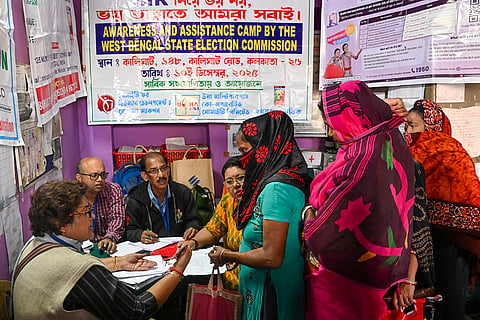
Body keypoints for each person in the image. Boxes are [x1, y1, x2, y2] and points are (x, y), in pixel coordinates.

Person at [304, 81, 415, 320]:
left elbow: (328, 228)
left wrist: (309, 218)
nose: (331, 133)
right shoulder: (390, 143)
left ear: (350, 118)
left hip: (344, 280)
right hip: (380, 271)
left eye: (333, 126)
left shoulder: (363, 159)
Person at [12, 180, 192, 319]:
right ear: (61, 225)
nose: (93, 217)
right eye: (86, 212)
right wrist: (177, 270)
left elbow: (66, 272)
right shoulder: (76, 267)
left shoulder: (34, 244)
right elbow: (137, 311)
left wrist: (117, 262)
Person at [209, 111, 311, 320]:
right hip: (266, 285)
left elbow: (271, 256)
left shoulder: (276, 189)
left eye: (246, 151)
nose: (243, 160)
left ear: (264, 147)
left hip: (271, 290)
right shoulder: (280, 180)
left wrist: (228, 255)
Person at [405, 99, 480, 320]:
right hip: (416, 242)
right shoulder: (405, 152)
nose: (408, 132)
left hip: (451, 241)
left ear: (431, 128)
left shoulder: (452, 152)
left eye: (413, 126)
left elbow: (470, 195)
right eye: (406, 126)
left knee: (448, 304)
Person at [176, 157, 245, 291]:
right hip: (231, 274)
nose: (236, 184)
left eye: (241, 178)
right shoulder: (228, 201)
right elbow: (213, 229)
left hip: (252, 272)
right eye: (229, 181)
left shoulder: (261, 203)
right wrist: (193, 243)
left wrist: (231, 256)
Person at [124, 152, 201, 243]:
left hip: (180, 245)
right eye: (154, 171)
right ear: (145, 176)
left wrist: (192, 227)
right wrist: (140, 235)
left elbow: (194, 219)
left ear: (168, 171)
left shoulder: (182, 192)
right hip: (151, 248)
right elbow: (129, 231)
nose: (161, 175)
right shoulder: (136, 198)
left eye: (163, 168)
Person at [76, 156, 124, 253]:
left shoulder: (113, 190)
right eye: (94, 175)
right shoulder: (72, 196)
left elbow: (117, 219)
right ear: (79, 178)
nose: (100, 179)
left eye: (103, 175)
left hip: (108, 246)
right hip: (82, 248)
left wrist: (109, 238)